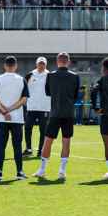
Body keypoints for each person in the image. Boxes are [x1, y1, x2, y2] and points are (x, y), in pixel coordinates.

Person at [32, 52, 80, 180]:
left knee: (48, 141)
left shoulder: (51, 76)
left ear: (57, 61)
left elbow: (48, 92)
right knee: (66, 141)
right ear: (68, 62)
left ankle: (42, 169)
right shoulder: (75, 77)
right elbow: (75, 96)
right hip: (69, 113)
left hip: (54, 113)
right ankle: (62, 171)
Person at [0, 56, 29, 180]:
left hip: (1, 117)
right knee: (17, 145)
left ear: (5, 66)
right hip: (17, 118)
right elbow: (24, 99)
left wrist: (3, 110)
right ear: (16, 66)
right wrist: (10, 109)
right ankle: (19, 172)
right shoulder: (21, 79)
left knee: (1, 145)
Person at [23, 56, 51, 157]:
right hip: (31, 107)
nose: (41, 65)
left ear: (46, 65)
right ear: (36, 64)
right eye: (40, 63)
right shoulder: (30, 75)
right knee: (27, 128)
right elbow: (23, 89)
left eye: (43, 63)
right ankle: (28, 148)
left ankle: (41, 151)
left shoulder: (50, 75)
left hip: (45, 107)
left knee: (43, 130)